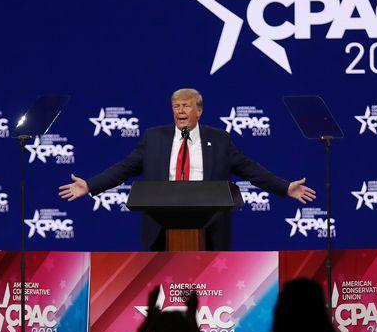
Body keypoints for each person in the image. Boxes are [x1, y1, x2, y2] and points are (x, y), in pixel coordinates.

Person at [58, 88, 316, 250]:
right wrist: (90, 185)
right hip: (161, 228)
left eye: (186, 105)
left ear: (199, 110)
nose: (180, 111)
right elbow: (124, 168)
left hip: (209, 229)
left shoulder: (220, 139)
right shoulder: (154, 138)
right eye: (176, 106)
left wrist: (284, 187)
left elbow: (250, 169)